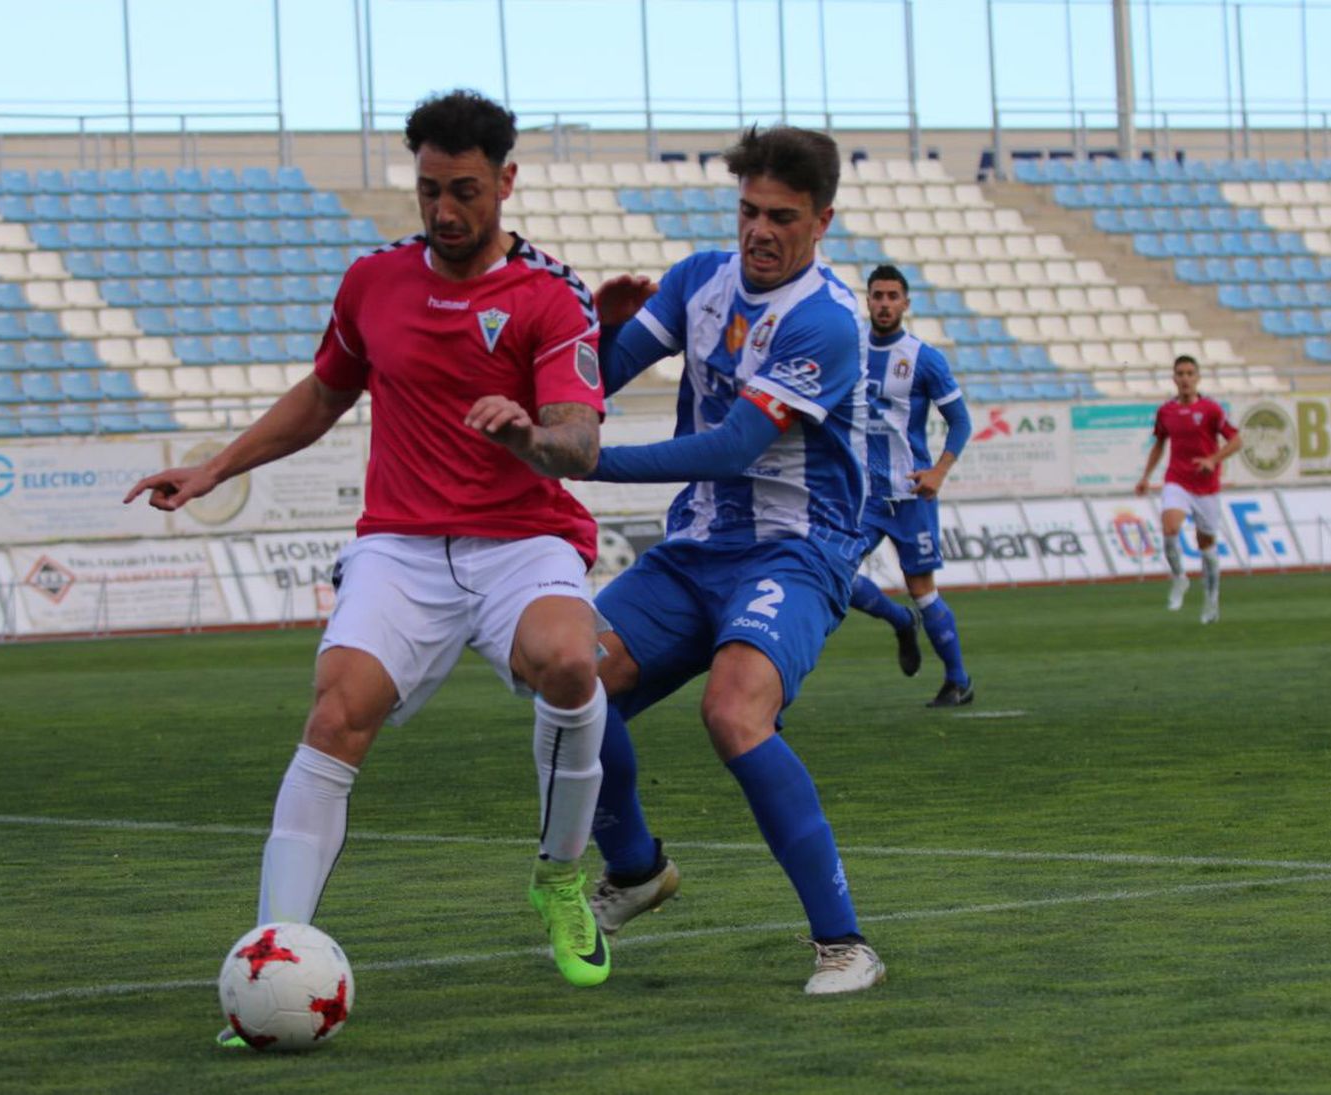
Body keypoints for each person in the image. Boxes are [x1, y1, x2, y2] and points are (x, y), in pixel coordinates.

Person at [124, 90, 614, 1040]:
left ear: (506, 182)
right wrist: (217, 467)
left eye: (464, 190)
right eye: (429, 189)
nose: (443, 210)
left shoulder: (553, 294)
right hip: (400, 544)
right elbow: (324, 394)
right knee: (335, 712)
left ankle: (559, 877)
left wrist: (527, 435)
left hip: (521, 537)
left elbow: (580, 442)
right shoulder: (372, 281)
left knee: (571, 662)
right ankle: (272, 958)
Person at [580, 125, 884, 995]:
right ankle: (636, 869)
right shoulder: (695, 280)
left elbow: (731, 447)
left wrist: (587, 461)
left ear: (822, 221)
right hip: (696, 547)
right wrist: (593, 330)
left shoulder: (826, 321)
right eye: (749, 210)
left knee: (734, 709)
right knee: (569, 680)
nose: (759, 230)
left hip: (797, 549)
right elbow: (593, 381)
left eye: (782, 216)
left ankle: (845, 944)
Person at [843, 265, 975, 707]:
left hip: (910, 493)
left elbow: (960, 421)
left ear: (905, 303)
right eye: (877, 295)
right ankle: (899, 621)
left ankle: (958, 681)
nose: (884, 304)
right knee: (836, 572)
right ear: (867, 300)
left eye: (892, 296)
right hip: (862, 494)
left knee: (923, 589)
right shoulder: (849, 350)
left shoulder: (923, 358)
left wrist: (939, 471)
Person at [1134, 354, 1241, 623]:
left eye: (1189, 373)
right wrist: (1145, 477)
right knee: (1170, 528)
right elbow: (1159, 444)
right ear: (1174, 378)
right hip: (1177, 480)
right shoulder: (1166, 412)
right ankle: (1179, 578)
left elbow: (1236, 440)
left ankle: (1211, 599)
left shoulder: (1211, 409)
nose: (1185, 378)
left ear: (1197, 378)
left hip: (1206, 487)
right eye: (1180, 374)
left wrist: (1213, 460)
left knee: (1206, 546)